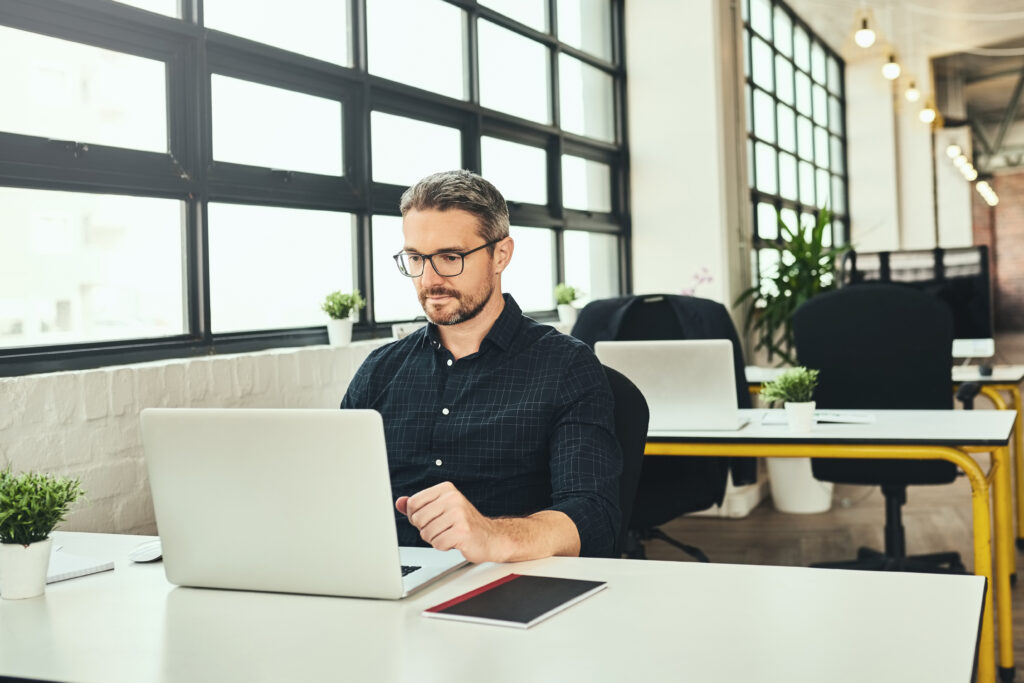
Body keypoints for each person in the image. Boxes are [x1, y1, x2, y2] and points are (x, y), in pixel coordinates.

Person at [341, 170, 621, 564]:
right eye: (416, 259)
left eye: (450, 258)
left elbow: (594, 516)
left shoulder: (565, 366)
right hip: (386, 584)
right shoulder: (379, 371)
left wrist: (492, 535)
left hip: (511, 587)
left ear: (500, 255)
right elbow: (335, 497)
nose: (430, 278)